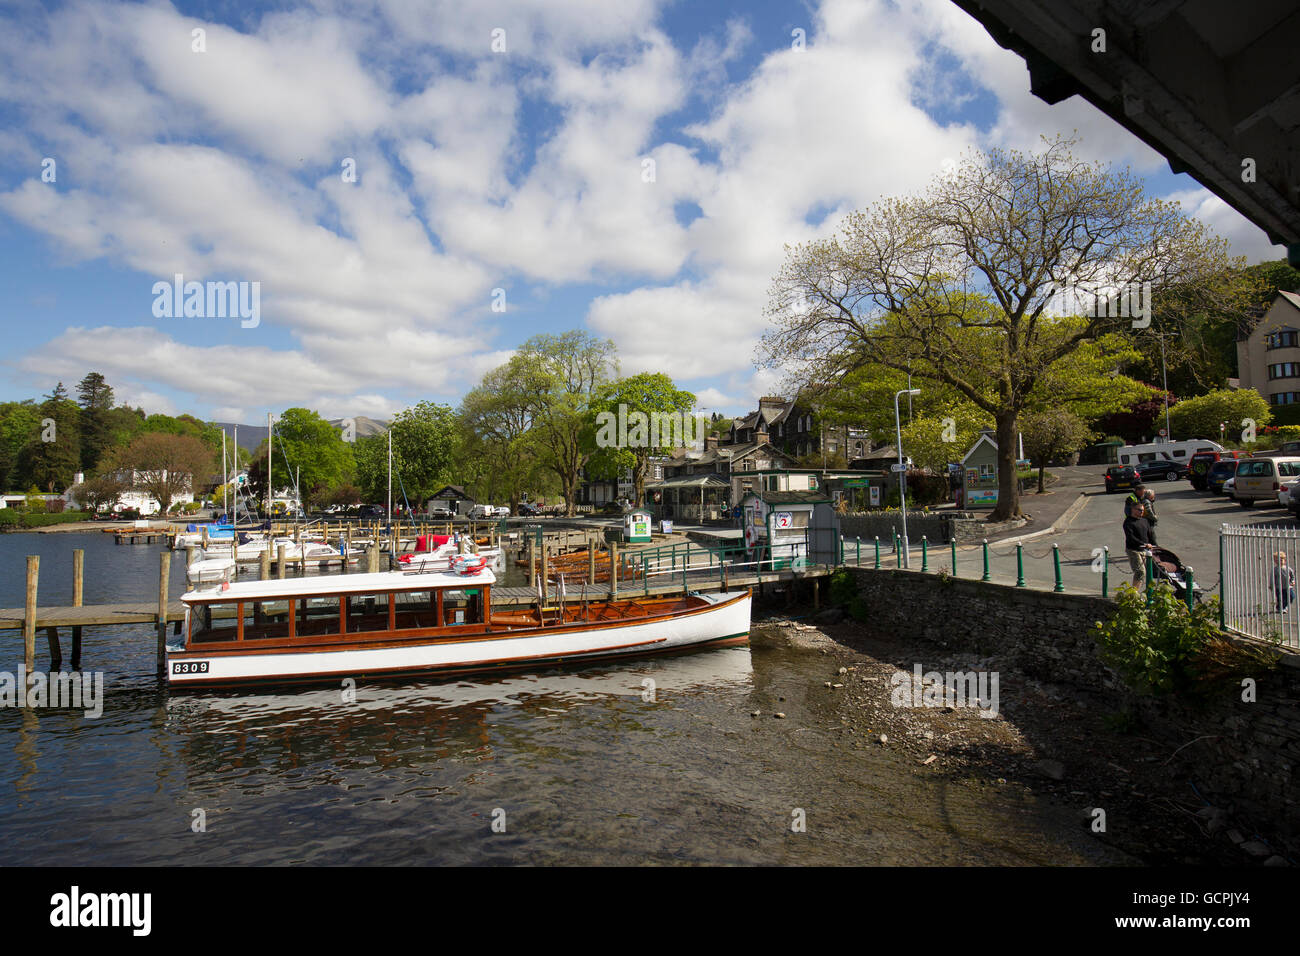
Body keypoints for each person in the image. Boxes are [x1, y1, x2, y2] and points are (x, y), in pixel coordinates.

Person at [1123, 499, 1157, 587]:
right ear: (1133, 510)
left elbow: (1151, 534)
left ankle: (1148, 593)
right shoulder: (1128, 522)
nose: (1142, 512)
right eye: (1139, 510)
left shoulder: (1145, 521)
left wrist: (1155, 545)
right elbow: (1131, 537)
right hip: (1134, 550)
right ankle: (1134, 594)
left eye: (1143, 510)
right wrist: (1144, 544)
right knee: (1140, 572)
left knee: (1149, 572)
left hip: (1146, 550)